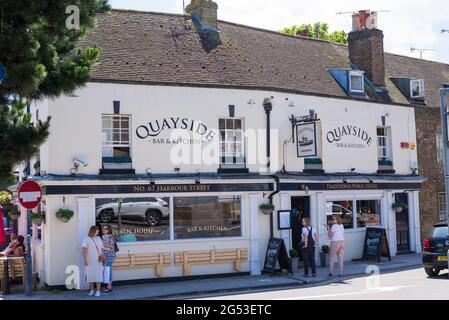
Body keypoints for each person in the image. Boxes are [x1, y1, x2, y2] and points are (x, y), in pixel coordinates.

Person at [82, 226, 105, 297]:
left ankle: (98, 291)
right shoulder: (87, 239)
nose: (98, 231)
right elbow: (84, 250)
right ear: (93, 230)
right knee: (90, 275)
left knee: (98, 275)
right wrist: (85, 259)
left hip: (98, 260)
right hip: (90, 260)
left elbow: (101, 249)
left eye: (98, 230)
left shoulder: (99, 238)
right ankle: (92, 290)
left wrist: (103, 257)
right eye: (97, 230)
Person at [101, 225, 116, 292]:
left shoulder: (110, 236)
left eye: (105, 229)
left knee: (108, 271)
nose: (104, 230)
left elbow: (111, 247)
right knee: (106, 271)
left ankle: (109, 286)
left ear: (108, 230)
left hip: (109, 256)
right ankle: (107, 285)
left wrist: (103, 243)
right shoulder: (103, 236)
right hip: (105, 256)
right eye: (103, 228)